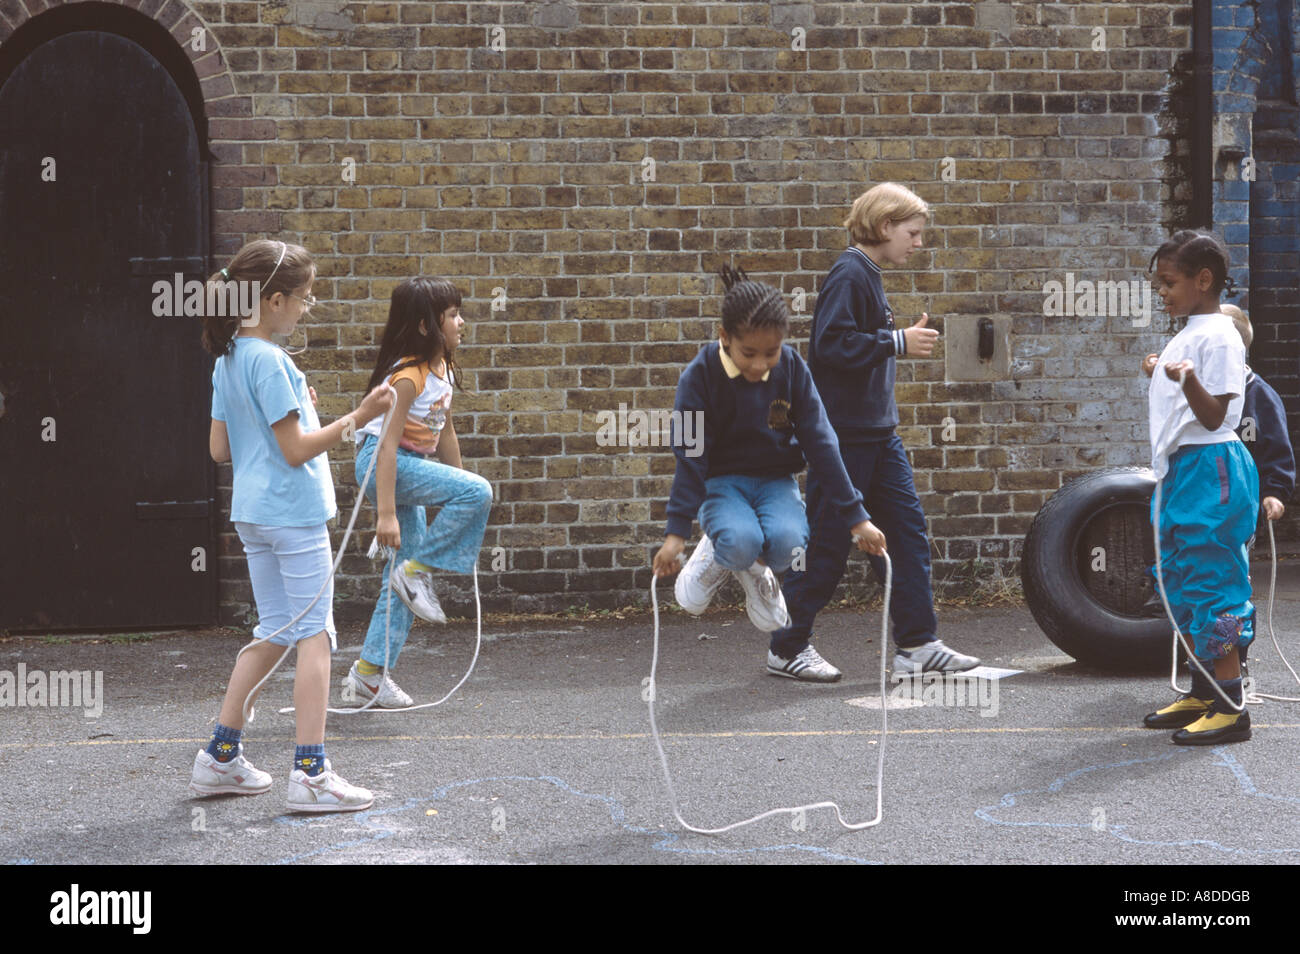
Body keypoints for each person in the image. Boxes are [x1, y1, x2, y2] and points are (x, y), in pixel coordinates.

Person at [190, 239, 394, 810]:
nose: (308, 307)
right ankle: (311, 774)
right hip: (293, 513)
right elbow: (298, 450)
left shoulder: (228, 358)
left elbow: (218, 450)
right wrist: (360, 415)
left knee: (276, 632)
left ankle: (220, 758)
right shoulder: (270, 361)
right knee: (316, 637)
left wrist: (296, 408)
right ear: (274, 299)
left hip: (254, 514)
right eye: (303, 298)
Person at [772, 182, 981, 681]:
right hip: (845, 438)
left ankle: (917, 646)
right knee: (825, 547)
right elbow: (830, 346)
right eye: (913, 232)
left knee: (905, 537)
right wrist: (899, 341)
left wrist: (894, 341)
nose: (918, 242)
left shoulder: (868, 274)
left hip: (878, 435)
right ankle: (787, 646)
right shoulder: (850, 272)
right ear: (885, 226)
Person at [653, 265, 886, 682]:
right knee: (741, 540)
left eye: (772, 352)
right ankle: (722, 549)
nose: (761, 365)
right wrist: (675, 535)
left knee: (789, 548)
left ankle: (749, 556)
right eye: (749, 354)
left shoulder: (791, 368)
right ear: (724, 337)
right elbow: (689, 456)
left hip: (775, 482)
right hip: (721, 483)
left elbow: (821, 441)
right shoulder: (699, 377)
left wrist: (858, 518)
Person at [346, 277, 493, 707]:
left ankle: (368, 674)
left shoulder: (442, 369)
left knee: (401, 582)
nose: (461, 322)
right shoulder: (407, 375)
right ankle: (417, 571)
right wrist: (386, 514)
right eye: (452, 315)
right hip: (381, 464)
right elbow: (386, 446)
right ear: (428, 326)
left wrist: (459, 482)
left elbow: (444, 429)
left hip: (411, 467)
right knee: (478, 493)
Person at [1139, 230, 1257, 745]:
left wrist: (1184, 380)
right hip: (1182, 468)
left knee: (1214, 585)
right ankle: (1204, 688)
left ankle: (1231, 704)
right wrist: (1161, 372)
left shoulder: (1221, 334)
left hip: (1213, 467)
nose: (1161, 293)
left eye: (1169, 283)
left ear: (1203, 280)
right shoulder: (1191, 330)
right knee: (1180, 578)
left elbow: (1215, 416)